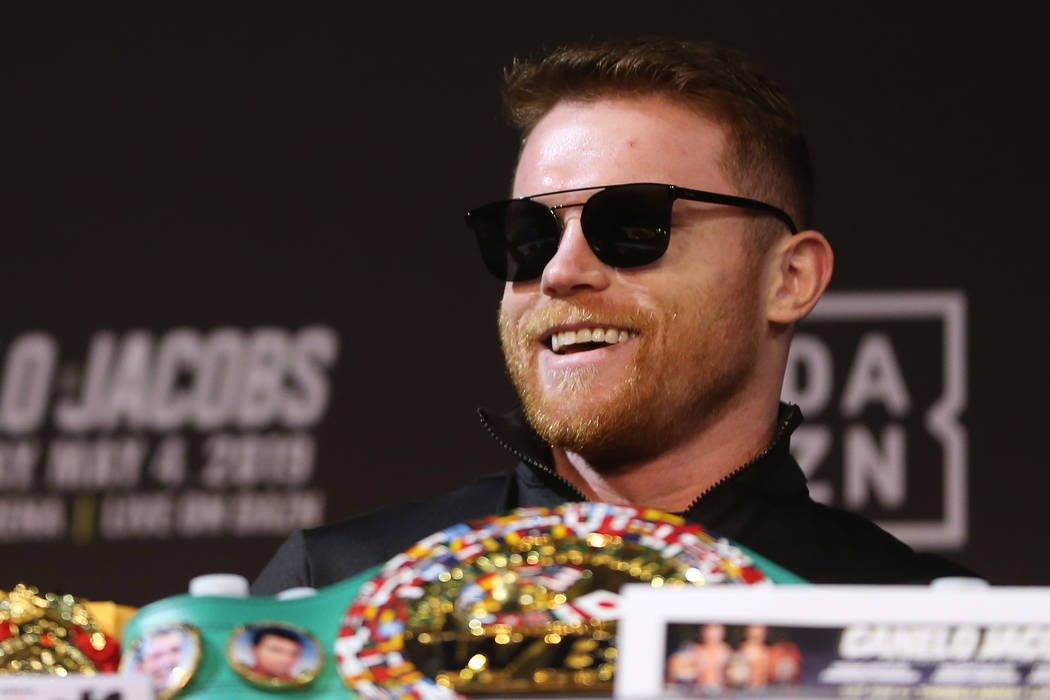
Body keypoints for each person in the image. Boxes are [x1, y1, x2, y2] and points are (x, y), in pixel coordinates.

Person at [252, 37, 972, 595]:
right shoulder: (336, 592)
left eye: (632, 225)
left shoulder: (917, 624)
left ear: (789, 278)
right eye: (529, 236)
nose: (561, 271)